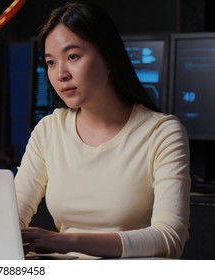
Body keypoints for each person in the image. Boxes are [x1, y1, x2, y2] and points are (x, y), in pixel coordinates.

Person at [15, 1, 190, 259]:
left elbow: (168, 238)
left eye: (73, 56)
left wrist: (68, 242)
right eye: (51, 62)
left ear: (109, 57)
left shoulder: (161, 132)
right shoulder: (49, 130)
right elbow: (12, 216)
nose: (60, 73)